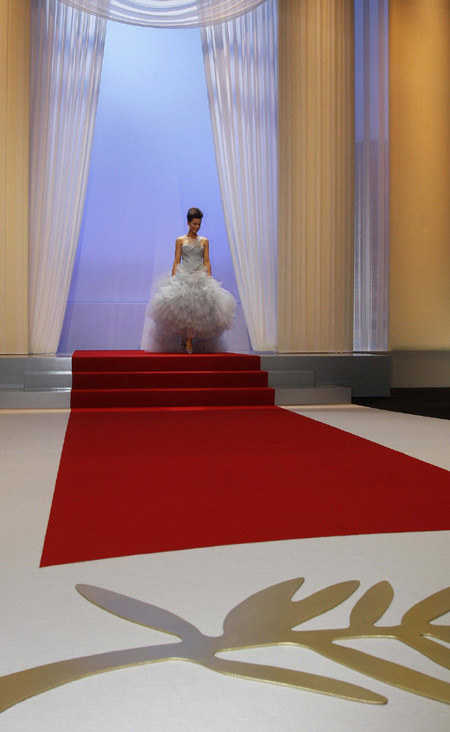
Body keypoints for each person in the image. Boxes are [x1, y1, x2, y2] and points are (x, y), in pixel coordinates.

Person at [141, 208, 236, 353]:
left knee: (197, 311)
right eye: (194, 224)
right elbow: (176, 261)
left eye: (199, 224)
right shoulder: (180, 240)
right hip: (183, 275)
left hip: (199, 275)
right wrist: (173, 279)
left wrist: (208, 278)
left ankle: (190, 340)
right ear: (188, 223)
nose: (197, 227)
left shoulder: (204, 241)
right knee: (182, 310)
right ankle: (185, 338)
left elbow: (207, 261)